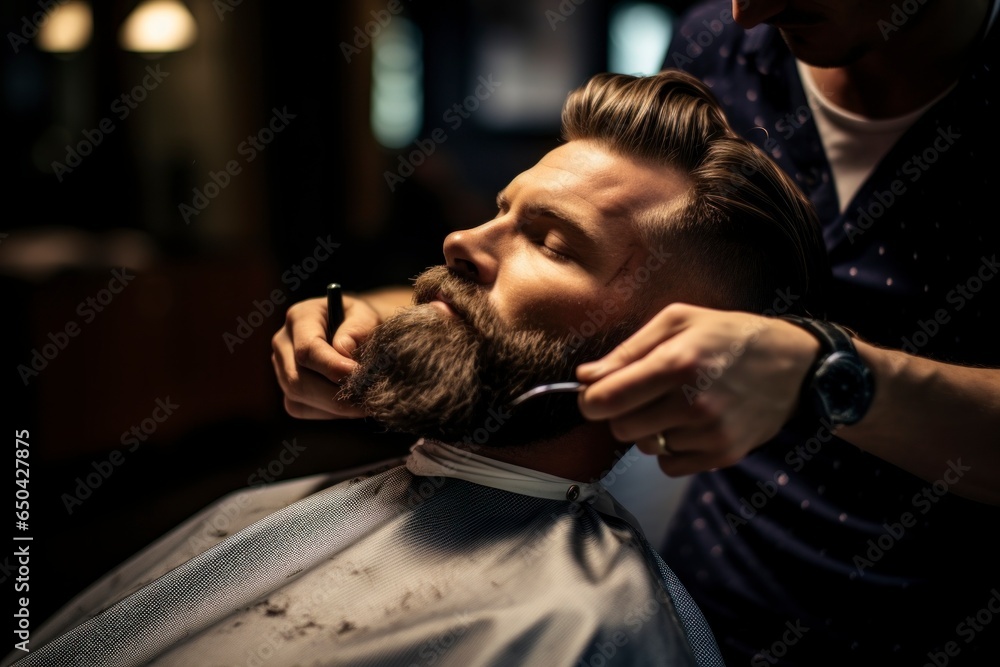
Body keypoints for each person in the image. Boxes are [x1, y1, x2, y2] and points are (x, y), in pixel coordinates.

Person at [3, 68, 832, 667]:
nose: (461, 241)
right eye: (499, 210)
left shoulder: (584, 630)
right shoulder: (309, 498)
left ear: (667, 355)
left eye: (549, 240)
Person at [272, 2, 1000, 666]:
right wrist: (387, 318)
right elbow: (581, 296)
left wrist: (829, 374)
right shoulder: (725, 44)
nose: (752, 9)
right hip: (713, 571)